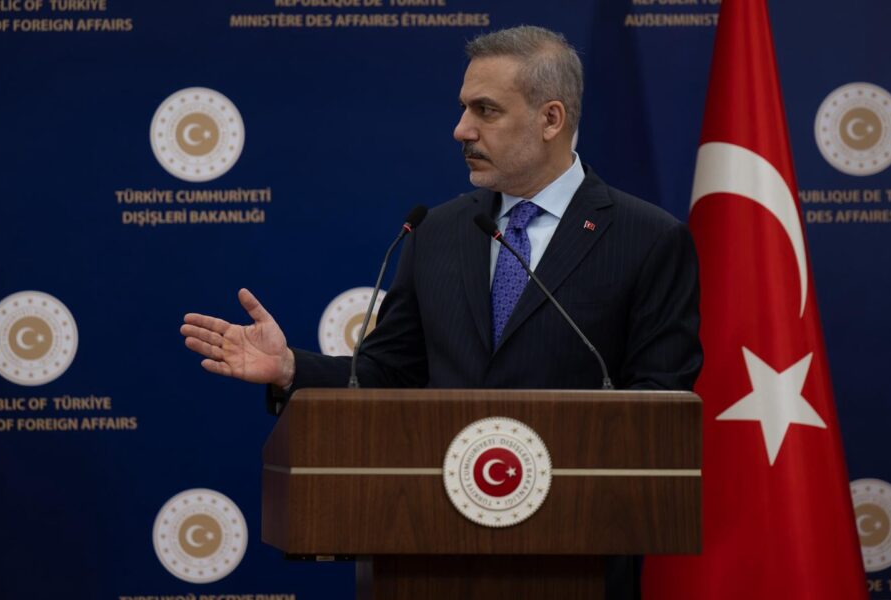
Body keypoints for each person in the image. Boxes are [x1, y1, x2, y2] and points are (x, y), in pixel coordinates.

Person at [181, 25, 701, 599]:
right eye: (463, 108)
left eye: (486, 110)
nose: (461, 129)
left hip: (575, 558)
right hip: (427, 554)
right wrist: (290, 369)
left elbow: (659, 410)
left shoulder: (647, 240)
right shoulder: (438, 231)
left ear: (551, 119)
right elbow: (388, 375)